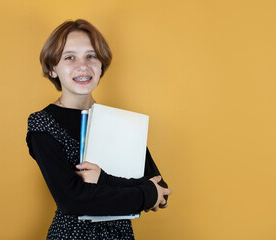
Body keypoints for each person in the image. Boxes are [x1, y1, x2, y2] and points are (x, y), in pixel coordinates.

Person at [26, 19, 172, 240]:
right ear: (53, 68)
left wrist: (104, 179)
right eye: (69, 57)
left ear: (101, 64)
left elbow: (160, 190)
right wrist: (144, 194)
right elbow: (73, 199)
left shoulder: (121, 122)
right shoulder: (42, 123)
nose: (82, 65)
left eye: (91, 56)